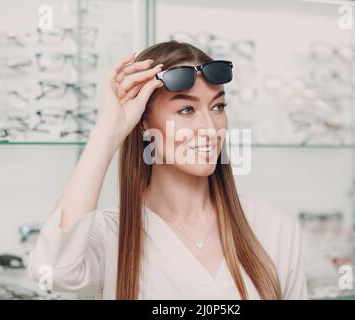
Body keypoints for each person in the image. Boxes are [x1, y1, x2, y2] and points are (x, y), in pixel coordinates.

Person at [28, 40, 308, 300]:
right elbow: (53, 270)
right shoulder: (112, 234)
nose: (210, 129)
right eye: (186, 110)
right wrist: (108, 131)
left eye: (218, 106)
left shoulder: (273, 227)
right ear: (143, 122)